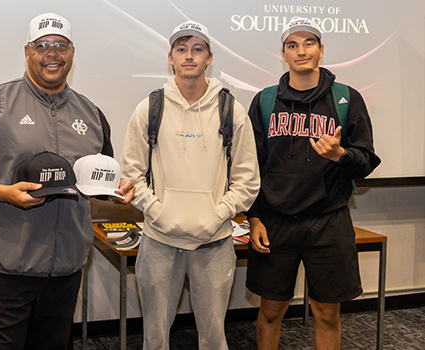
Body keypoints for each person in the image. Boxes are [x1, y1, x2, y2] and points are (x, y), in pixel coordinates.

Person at [0, 12, 134, 349]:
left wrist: (117, 191)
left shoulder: (91, 114)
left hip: (65, 269)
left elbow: (97, 182)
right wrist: (0, 192)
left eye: (60, 46)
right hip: (2, 267)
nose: (52, 53)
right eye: (42, 45)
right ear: (27, 51)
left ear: (72, 52)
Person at [120, 21, 260, 350]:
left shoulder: (231, 110)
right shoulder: (149, 108)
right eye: (181, 49)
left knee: (213, 337)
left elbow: (247, 179)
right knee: (155, 338)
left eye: (197, 49)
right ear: (170, 57)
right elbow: (132, 173)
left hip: (214, 243)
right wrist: (158, 211)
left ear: (209, 57)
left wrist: (217, 214)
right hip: (159, 240)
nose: (189, 56)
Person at [245, 17, 381, 350]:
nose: (301, 51)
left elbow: (365, 162)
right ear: (283, 53)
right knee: (271, 311)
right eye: (293, 45)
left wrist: (339, 155)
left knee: (326, 313)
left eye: (309, 43)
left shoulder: (346, 99)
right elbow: (249, 167)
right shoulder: (264, 102)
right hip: (276, 221)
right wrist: (254, 216)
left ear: (321, 50)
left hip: (329, 220)